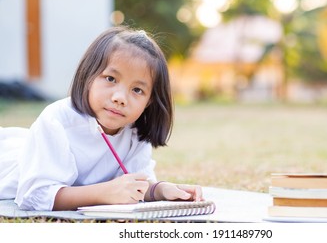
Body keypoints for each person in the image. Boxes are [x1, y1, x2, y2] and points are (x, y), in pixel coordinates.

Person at [0, 26, 203, 211]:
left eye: (137, 90)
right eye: (111, 79)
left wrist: (160, 189)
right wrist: (105, 193)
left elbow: (134, 186)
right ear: (88, 75)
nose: (120, 98)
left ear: (149, 101)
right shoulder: (57, 122)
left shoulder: (135, 132)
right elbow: (34, 195)